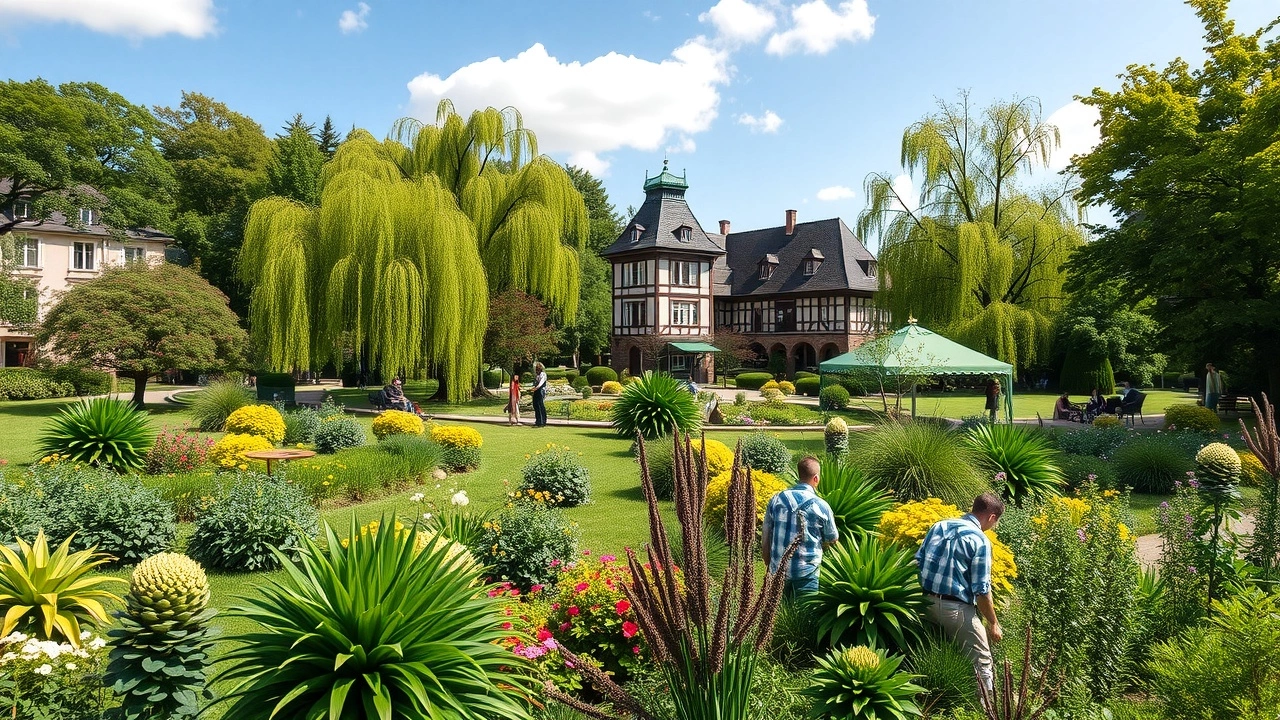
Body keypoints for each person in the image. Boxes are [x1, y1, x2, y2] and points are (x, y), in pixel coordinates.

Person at [916, 493, 1006, 693]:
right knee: (982, 660)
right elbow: (982, 591)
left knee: (939, 647)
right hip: (955, 610)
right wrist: (993, 623)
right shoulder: (980, 541)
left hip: (925, 603)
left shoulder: (939, 525)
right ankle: (985, 708)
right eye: (996, 522)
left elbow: (918, 561)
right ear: (992, 517)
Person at [762, 456, 840, 599]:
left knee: (775, 616)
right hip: (807, 574)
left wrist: (768, 564)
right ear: (816, 479)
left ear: (799, 475)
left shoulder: (777, 499)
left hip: (777, 571)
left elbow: (766, 534)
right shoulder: (821, 506)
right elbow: (833, 539)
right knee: (805, 618)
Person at [531, 362, 548, 427]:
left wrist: (536, 388)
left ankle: (542, 421)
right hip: (537, 390)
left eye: (537, 369)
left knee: (540, 405)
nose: (536, 371)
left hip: (541, 390)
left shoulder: (543, 374)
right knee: (535, 405)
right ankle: (538, 420)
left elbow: (541, 383)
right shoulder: (537, 375)